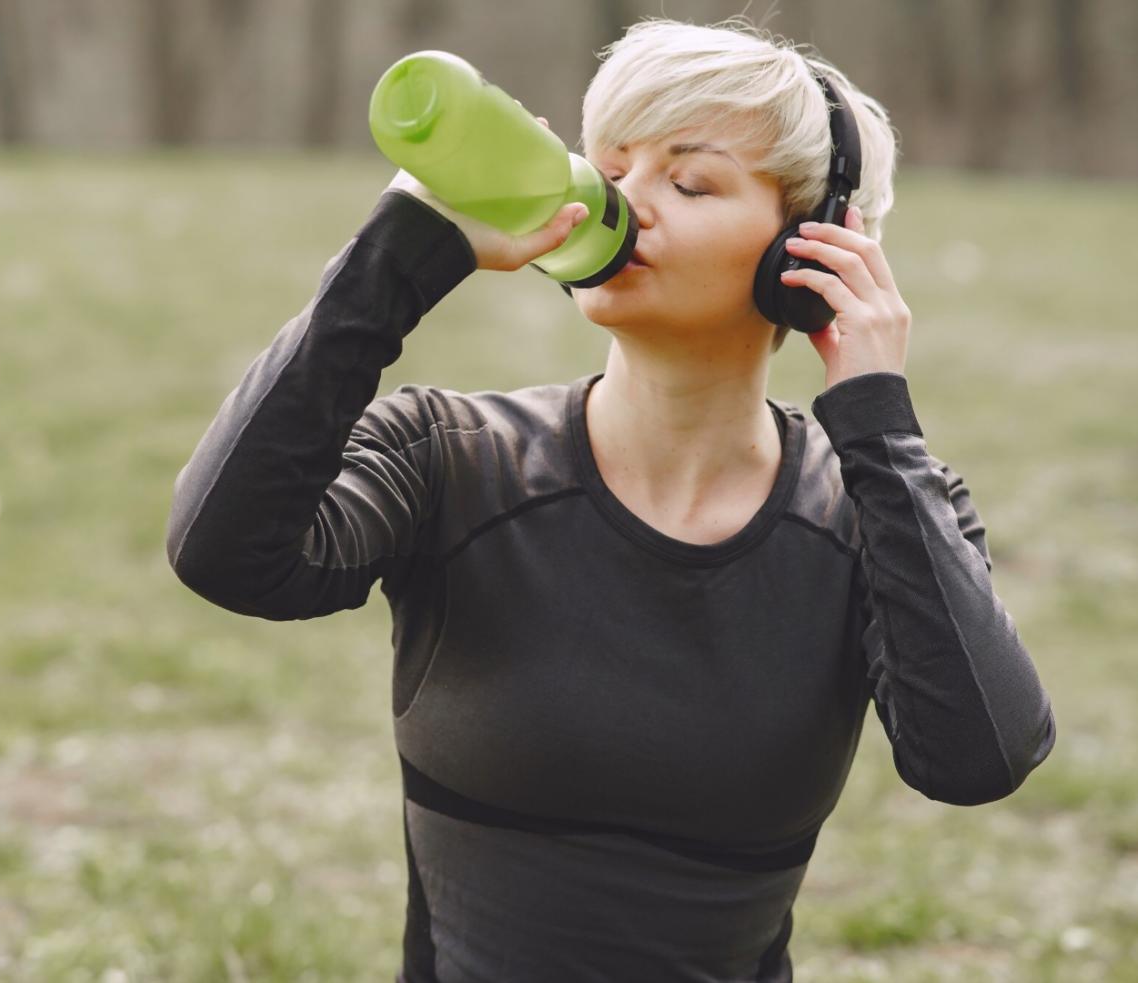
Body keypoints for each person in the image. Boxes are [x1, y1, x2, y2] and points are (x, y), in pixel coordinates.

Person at [165, 16, 1056, 982]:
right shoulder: (453, 457)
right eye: (611, 165)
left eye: (689, 179)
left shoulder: (871, 509)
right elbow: (227, 552)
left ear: (807, 250)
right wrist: (395, 259)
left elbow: (975, 758)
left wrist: (877, 422)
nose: (622, 203)